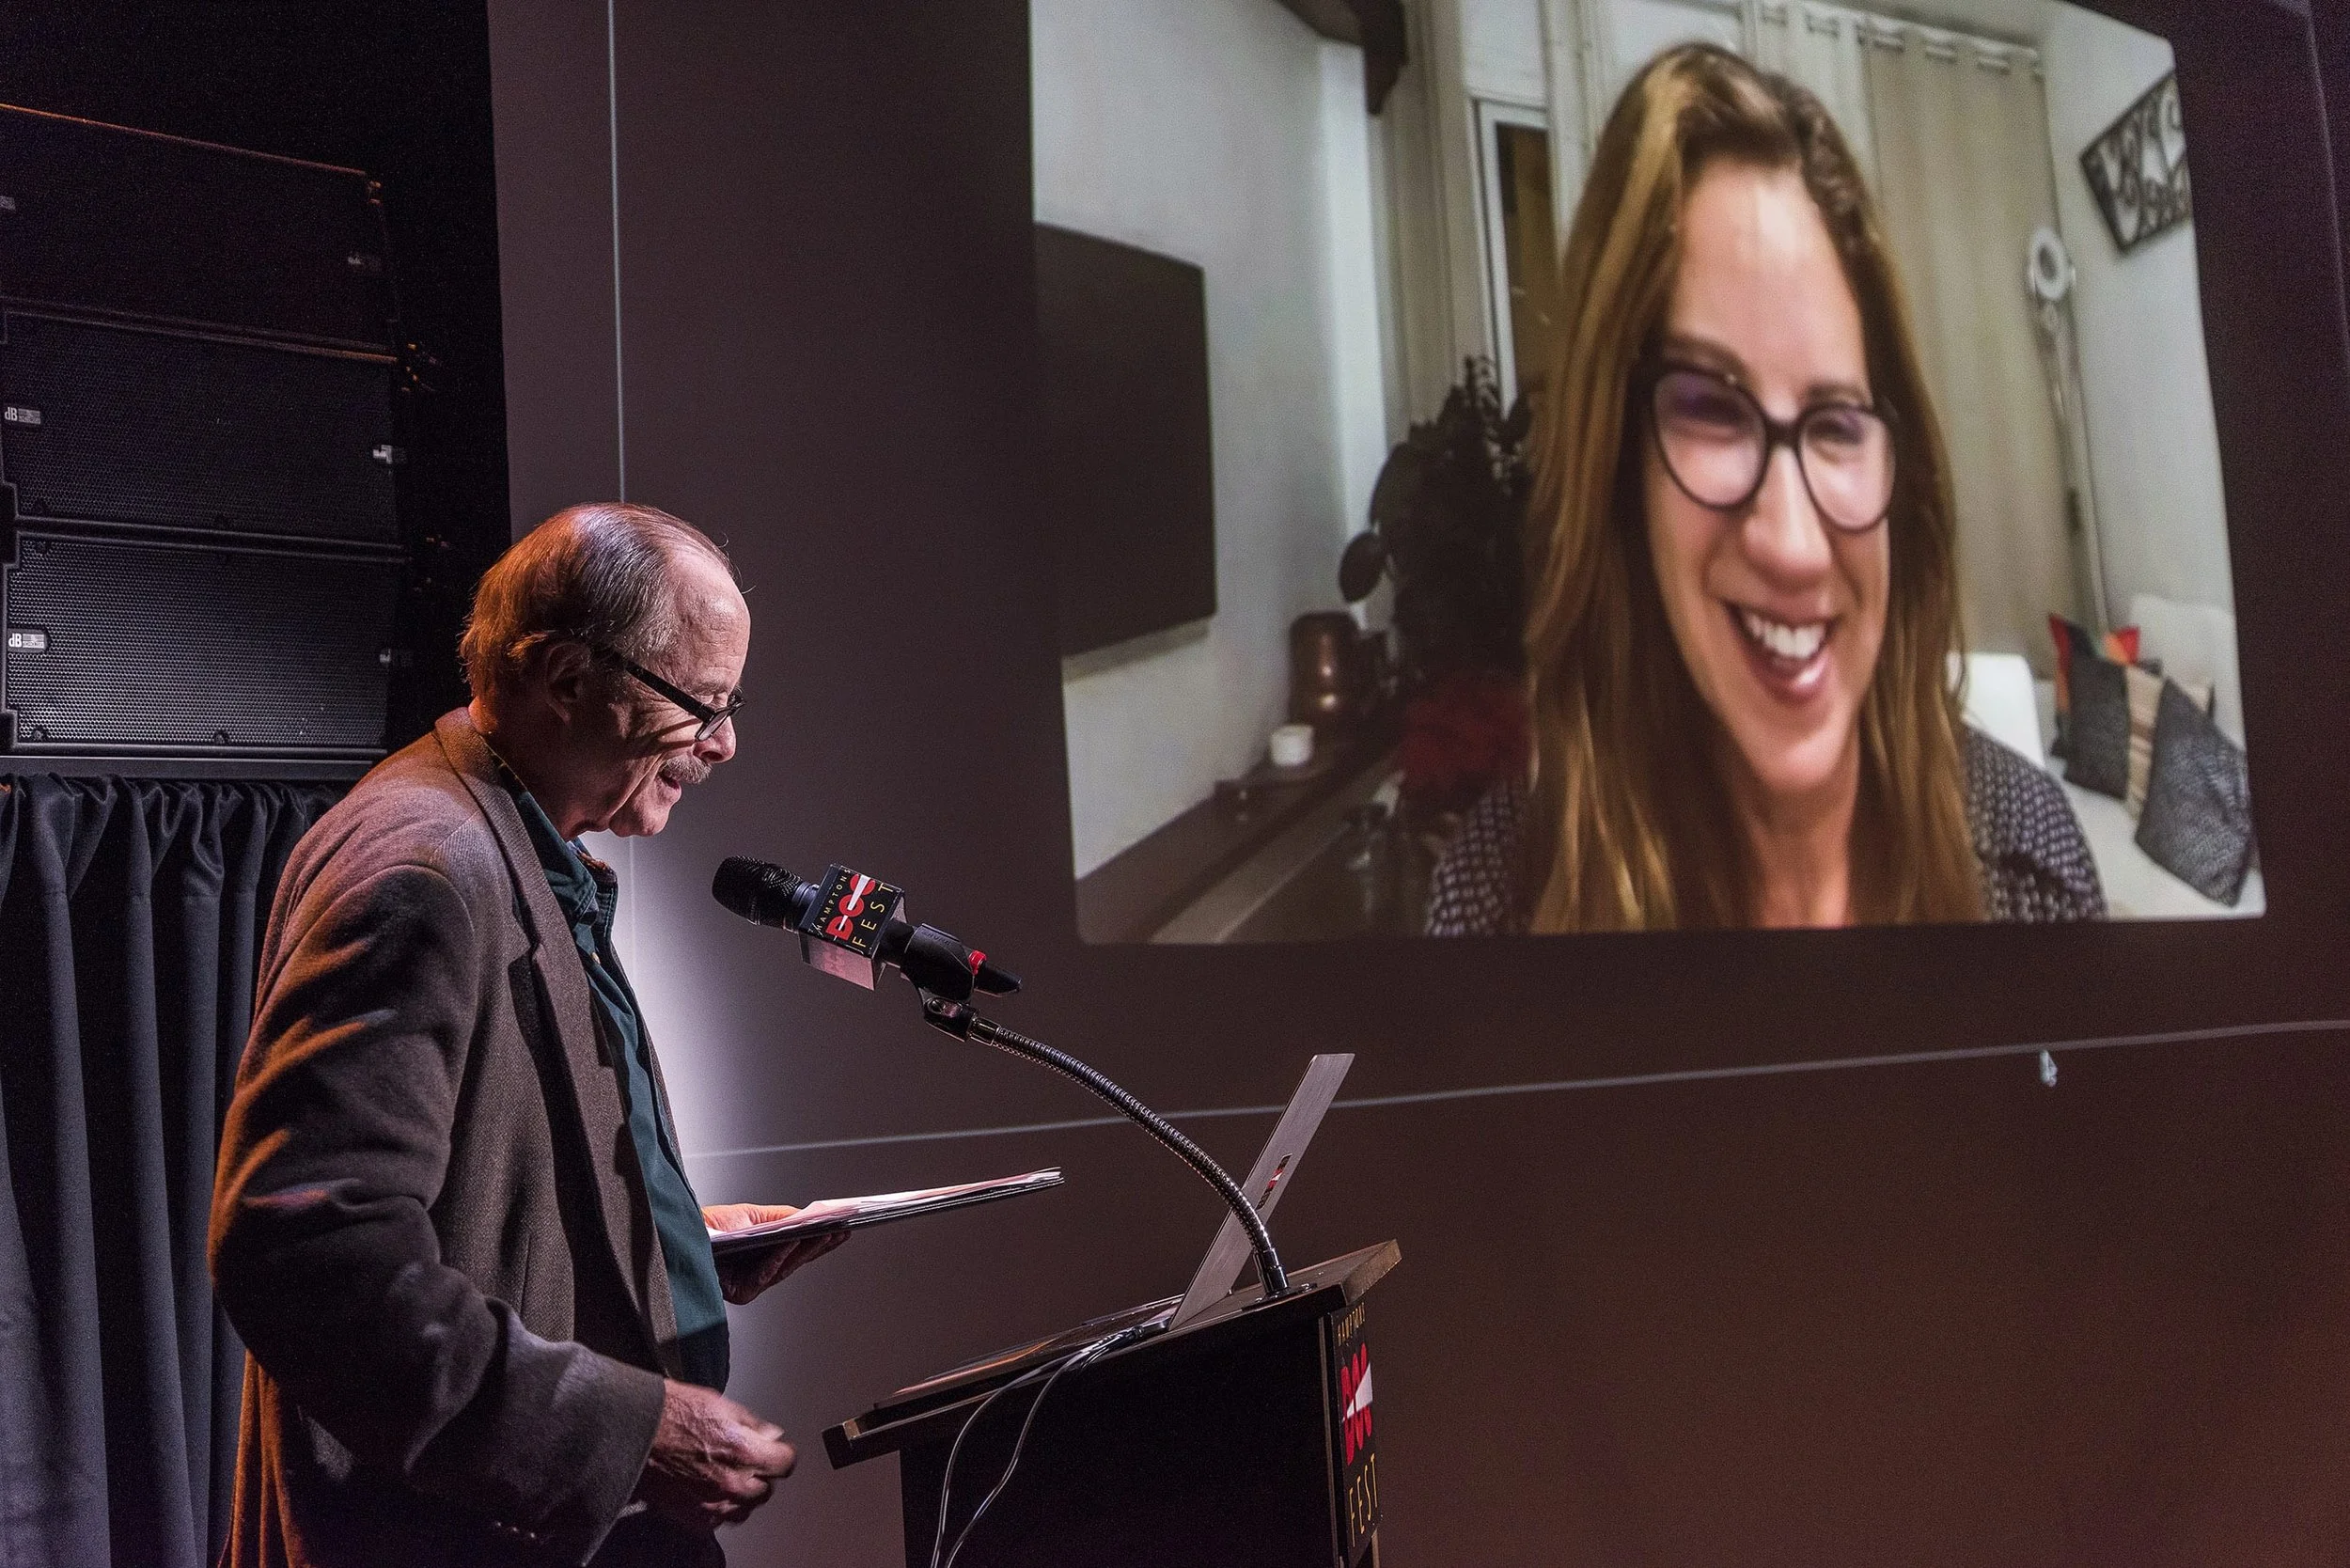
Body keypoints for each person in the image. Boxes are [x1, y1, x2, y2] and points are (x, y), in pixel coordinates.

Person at [211, 503, 840, 1567]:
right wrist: (622, 1433)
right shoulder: (426, 871)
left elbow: (477, 1192)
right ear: (565, 679)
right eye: (703, 704)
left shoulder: (505, 838)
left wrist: (667, 1240)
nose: (724, 742)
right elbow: (308, 1252)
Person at [1427, 44, 2101, 934]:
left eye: (1836, 425)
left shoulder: (2033, 870)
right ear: (1617, 472)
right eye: (1711, 409)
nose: (1793, 544)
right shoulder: (1493, 908)